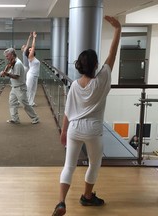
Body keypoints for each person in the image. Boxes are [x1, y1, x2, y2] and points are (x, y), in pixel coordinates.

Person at [52, 16, 121, 216]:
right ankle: (87, 197)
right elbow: (112, 54)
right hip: (93, 130)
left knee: (69, 166)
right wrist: (117, 29)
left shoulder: (74, 85)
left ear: (79, 66)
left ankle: (61, 203)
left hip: (74, 128)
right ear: (95, 64)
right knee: (94, 163)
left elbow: (67, 110)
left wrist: (64, 131)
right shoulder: (102, 80)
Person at [0, 48, 39, 124]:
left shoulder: (18, 63)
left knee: (25, 105)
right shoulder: (13, 62)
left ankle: (35, 118)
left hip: (20, 88)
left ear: (12, 55)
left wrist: (6, 74)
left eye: (7, 56)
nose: (6, 57)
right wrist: (5, 72)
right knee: (12, 102)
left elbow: (16, 76)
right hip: (14, 87)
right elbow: (9, 69)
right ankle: (15, 119)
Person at [25, 31, 40, 107]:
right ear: (28, 52)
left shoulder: (34, 58)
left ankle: (31, 102)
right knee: (28, 89)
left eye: (31, 50)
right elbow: (33, 46)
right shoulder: (30, 57)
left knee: (33, 90)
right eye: (30, 50)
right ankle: (24, 102)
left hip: (35, 75)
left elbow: (33, 48)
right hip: (31, 75)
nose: (31, 50)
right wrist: (34, 37)